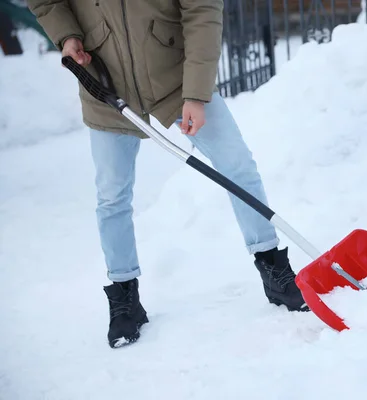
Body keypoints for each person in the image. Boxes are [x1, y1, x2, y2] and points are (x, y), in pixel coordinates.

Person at [26, 0, 308, 349]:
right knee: (112, 196)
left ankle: (273, 268)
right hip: (104, 84)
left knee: (237, 168)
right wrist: (67, 35)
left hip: (176, 80)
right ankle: (124, 296)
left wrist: (196, 93)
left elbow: (202, 11)